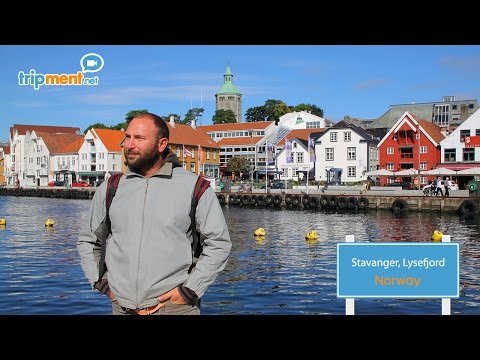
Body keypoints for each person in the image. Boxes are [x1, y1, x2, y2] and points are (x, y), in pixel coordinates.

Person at [77, 112, 232, 315]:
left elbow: (219, 243)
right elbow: (88, 240)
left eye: (139, 138)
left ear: (162, 144)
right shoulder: (111, 188)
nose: (129, 144)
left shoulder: (195, 187)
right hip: (121, 307)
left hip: (176, 308)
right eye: (128, 137)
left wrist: (189, 290)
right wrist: (101, 281)